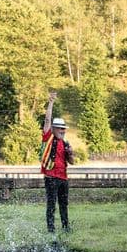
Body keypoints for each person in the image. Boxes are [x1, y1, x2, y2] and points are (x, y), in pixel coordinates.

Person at [40, 91, 74, 233]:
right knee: (51, 205)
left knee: (64, 204)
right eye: (60, 128)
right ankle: (51, 229)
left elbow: (71, 162)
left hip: (63, 177)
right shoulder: (48, 137)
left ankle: (66, 227)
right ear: (53, 129)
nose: (62, 131)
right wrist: (51, 102)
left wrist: (71, 153)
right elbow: (47, 120)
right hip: (51, 177)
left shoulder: (65, 143)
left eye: (63, 129)